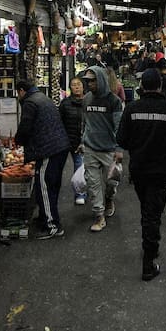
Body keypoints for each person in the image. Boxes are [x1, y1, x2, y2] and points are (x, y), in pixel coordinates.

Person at [116, 68, 166, 281]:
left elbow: (122, 139)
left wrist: (137, 146)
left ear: (141, 87)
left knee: (147, 209)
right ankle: (148, 262)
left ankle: (150, 244)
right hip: (161, 170)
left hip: (139, 170)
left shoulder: (132, 109)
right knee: (153, 213)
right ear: (159, 86)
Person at [14, 78, 70, 240]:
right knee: (50, 185)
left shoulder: (30, 102)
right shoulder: (43, 97)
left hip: (48, 150)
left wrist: (18, 141)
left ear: (22, 91)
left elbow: (25, 127)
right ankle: (45, 216)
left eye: (18, 93)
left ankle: (52, 225)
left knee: (45, 186)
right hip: (59, 147)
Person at [81, 65, 124, 232]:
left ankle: (109, 199)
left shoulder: (114, 101)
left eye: (92, 80)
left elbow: (119, 127)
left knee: (112, 182)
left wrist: (119, 149)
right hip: (90, 148)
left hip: (110, 150)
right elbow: (84, 123)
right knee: (93, 183)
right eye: (87, 81)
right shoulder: (86, 99)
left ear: (100, 79)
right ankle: (99, 216)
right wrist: (81, 140)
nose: (89, 84)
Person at [59, 76, 86, 205]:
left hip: (81, 141)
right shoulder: (65, 103)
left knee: (79, 167)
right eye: (74, 85)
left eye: (78, 84)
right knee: (59, 167)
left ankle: (80, 193)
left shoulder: (88, 102)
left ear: (83, 86)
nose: (76, 87)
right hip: (66, 140)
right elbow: (60, 122)